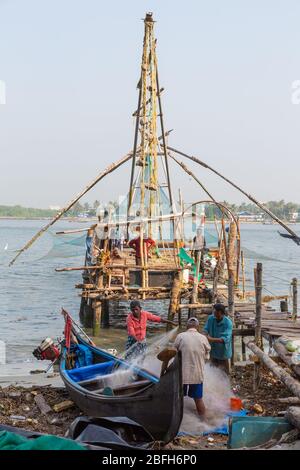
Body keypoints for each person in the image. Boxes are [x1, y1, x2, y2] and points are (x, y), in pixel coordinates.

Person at [174, 317, 211, 417]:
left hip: (182, 375)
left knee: (178, 398)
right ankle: (204, 421)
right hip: (197, 375)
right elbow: (207, 354)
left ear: (187, 326)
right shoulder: (203, 338)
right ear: (197, 327)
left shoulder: (180, 336)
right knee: (198, 399)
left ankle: (177, 420)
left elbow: (173, 351)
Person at [203, 303, 233, 375]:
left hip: (223, 352)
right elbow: (206, 329)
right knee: (212, 371)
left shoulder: (228, 323)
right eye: (214, 311)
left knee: (224, 373)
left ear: (221, 312)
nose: (214, 313)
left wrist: (210, 339)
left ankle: (225, 385)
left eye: (216, 311)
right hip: (213, 350)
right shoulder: (211, 318)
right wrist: (204, 335)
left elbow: (225, 339)